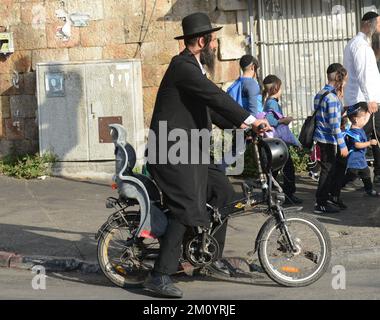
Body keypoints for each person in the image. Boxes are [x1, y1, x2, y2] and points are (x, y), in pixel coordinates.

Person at [143, 12, 269, 299]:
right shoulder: (183, 67)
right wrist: (251, 119)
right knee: (186, 206)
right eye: (213, 41)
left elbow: (210, 110)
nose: (215, 47)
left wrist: (242, 127)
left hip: (190, 151)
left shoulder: (194, 68)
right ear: (202, 41)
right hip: (171, 152)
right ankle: (159, 275)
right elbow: (216, 97)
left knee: (224, 192)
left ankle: (207, 257)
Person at [344, 11, 380, 184]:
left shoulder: (358, 43)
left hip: (363, 100)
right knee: (357, 141)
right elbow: (362, 74)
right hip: (363, 102)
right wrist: (370, 99)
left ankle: (371, 177)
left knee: (370, 138)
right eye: (379, 24)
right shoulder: (360, 46)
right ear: (369, 24)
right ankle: (342, 179)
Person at [313, 63, 349, 214]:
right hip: (329, 140)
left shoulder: (320, 93)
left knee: (328, 169)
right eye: (344, 80)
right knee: (327, 171)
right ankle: (321, 202)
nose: (345, 83)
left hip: (320, 138)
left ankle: (327, 198)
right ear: (338, 78)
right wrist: (342, 145)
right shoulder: (332, 98)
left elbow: (322, 116)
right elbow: (334, 126)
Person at [262, 75, 303, 205]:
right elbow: (270, 120)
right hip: (278, 142)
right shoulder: (272, 103)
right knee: (287, 168)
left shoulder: (269, 101)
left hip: (275, 142)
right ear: (276, 89)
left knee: (275, 169)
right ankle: (288, 194)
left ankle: (269, 194)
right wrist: (283, 120)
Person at [339, 103, 380, 197]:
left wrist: (369, 112)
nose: (366, 120)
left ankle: (369, 190)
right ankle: (335, 187)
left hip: (361, 160)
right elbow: (357, 145)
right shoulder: (354, 133)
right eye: (364, 118)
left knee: (366, 174)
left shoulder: (359, 127)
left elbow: (365, 121)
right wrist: (369, 143)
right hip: (354, 161)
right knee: (350, 176)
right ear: (357, 120)